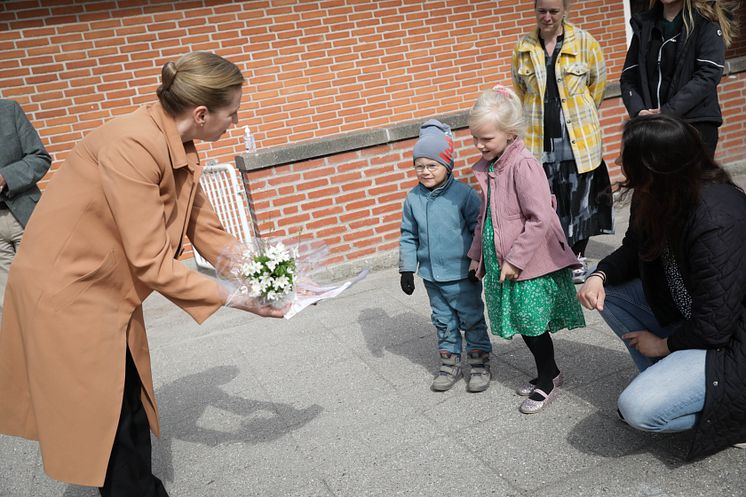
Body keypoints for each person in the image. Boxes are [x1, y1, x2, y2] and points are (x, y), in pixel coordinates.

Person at [0, 52, 286, 496]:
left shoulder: (176, 142)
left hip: (103, 291)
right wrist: (239, 298)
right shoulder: (132, 145)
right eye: (233, 112)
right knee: (106, 416)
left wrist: (274, 277)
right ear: (202, 113)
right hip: (68, 294)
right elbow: (151, 261)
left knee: (128, 401)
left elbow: (204, 228)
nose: (235, 121)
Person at [577, 114, 746, 460]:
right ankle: (674, 379)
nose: (624, 168)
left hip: (731, 342)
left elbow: (716, 324)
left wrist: (663, 345)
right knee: (610, 295)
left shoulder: (717, 218)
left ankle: (732, 411)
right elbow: (632, 248)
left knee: (638, 409)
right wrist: (599, 275)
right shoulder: (657, 193)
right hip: (695, 320)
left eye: (630, 160)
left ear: (655, 167)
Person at [467, 86, 585, 414]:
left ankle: (548, 379)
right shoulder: (491, 166)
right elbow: (484, 217)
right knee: (523, 321)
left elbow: (540, 218)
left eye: (486, 139)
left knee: (533, 323)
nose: (479, 145)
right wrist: (477, 254)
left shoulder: (523, 165)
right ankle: (548, 371)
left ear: (510, 134)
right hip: (501, 260)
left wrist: (516, 260)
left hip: (528, 262)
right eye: (475, 137)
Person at [512, 0, 613, 283]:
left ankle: (577, 259)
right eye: (542, 11)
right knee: (549, 201)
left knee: (582, 199)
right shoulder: (523, 48)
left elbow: (597, 85)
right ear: (535, 11)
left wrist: (580, 113)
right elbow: (520, 93)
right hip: (540, 140)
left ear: (565, 11)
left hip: (578, 137)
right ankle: (558, 258)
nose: (547, 17)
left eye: (554, 11)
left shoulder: (585, 43)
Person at [399, 119, 492, 393]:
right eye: (419, 166)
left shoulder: (463, 195)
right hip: (432, 277)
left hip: (463, 274)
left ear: (447, 165)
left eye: (432, 165)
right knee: (443, 321)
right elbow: (408, 235)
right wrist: (406, 268)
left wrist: (478, 260)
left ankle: (479, 363)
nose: (425, 172)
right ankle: (449, 364)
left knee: (471, 319)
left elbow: (480, 227)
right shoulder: (412, 199)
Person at [620, 0, 739, 158]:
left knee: (692, 183)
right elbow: (628, 78)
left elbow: (708, 75)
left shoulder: (706, 24)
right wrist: (639, 112)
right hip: (654, 130)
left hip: (694, 127)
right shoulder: (644, 25)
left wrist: (667, 112)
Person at [0, 99, 52, 315]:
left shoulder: (9, 110)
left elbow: (40, 158)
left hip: (24, 215)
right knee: (7, 307)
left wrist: (5, 177)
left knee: (42, 293)